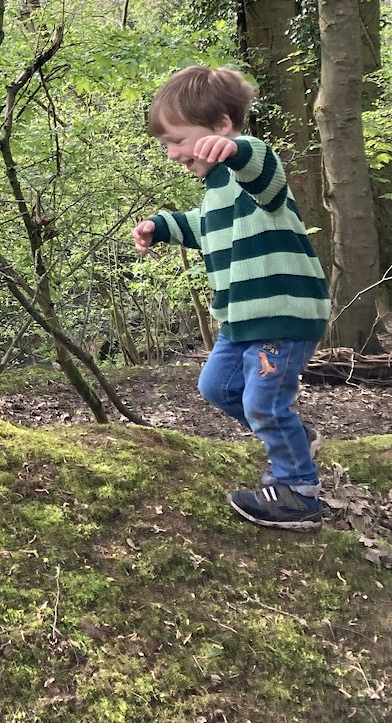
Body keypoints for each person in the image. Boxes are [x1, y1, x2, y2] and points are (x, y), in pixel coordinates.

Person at [132, 65, 331, 531]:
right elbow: (203, 229)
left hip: (281, 313)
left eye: (177, 140)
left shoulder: (254, 166)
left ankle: (298, 490)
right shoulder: (216, 192)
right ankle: (297, 439)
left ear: (221, 125)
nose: (171, 153)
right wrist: (160, 226)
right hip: (240, 318)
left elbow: (260, 169)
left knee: (262, 402)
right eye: (165, 144)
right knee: (217, 388)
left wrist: (235, 149)